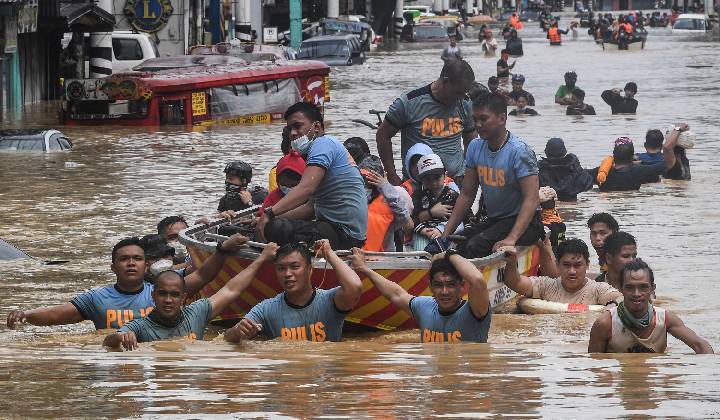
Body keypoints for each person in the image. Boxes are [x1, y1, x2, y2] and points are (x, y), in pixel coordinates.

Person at [6, 235, 248, 330]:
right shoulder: (96, 298)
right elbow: (56, 314)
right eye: (124, 259)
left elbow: (204, 276)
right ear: (113, 267)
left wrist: (222, 250)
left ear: (146, 265)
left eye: (137, 259)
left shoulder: (164, 293)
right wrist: (26, 314)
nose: (131, 263)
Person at [103, 243, 279, 350]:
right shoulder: (140, 326)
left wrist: (261, 259)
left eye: (174, 295)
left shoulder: (197, 312)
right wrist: (118, 338)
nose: (168, 300)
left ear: (184, 298)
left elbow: (231, 290)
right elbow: (108, 343)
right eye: (162, 294)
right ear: (153, 296)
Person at [443, 93, 543, 258]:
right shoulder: (475, 147)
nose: (478, 125)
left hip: (527, 222)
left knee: (476, 245)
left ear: (502, 118)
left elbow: (531, 199)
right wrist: (445, 234)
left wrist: (511, 239)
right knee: (459, 241)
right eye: (475, 119)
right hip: (496, 220)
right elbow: (467, 194)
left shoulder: (519, 151)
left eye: (484, 119)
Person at [258, 102, 367, 250]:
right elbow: (310, 208)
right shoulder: (319, 149)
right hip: (339, 231)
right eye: (290, 128)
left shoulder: (323, 144)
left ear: (316, 127)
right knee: (274, 223)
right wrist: (267, 218)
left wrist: (269, 214)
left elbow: (306, 189)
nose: (292, 133)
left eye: (297, 126)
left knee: (276, 228)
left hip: (344, 235)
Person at [224, 240, 363, 342]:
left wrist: (329, 253)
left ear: (309, 269)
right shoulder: (267, 308)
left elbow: (355, 287)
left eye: (295, 266)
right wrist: (238, 332)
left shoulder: (330, 300)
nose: (287, 274)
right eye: (281, 268)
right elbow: (226, 338)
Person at [350, 248, 491, 343]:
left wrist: (449, 253)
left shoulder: (476, 310)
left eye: (451, 285)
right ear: (430, 287)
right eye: (438, 285)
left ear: (462, 286)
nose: (444, 291)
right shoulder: (425, 306)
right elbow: (396, 294)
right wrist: (365, 269)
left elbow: (477, 280)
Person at [376, 60, 477, 186]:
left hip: (455, 183)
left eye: (465, 93)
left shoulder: (465, 104)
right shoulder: (409, 102)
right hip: (418, 185)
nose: (461, 97)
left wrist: (469, 174)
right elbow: (383, 135)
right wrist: (392, 175)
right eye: (458, 92)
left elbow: (472, 142)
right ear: (445, 81)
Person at [588, 259, 714, 354]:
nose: (637, 294)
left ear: (652, 289)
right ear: (620, 289)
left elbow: (701, 346)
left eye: (643, 287)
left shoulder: (666, 319)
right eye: (630, 287)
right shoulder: (605, 323)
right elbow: (596, 366)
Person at [502, 239, 623, 305]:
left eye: (577, 265)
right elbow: (514, 282)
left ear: (587, 265)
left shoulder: (598, 289)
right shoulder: (546, 285)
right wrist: (512, 263)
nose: (572, 271)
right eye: (566, 265)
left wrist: (612, 306)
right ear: (557, 265)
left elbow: (619, 299)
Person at [411, 154, 464, 252]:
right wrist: (424, 231)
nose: (433, 182)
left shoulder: (453, 195)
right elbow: (412, 218)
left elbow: (463, 218)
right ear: (421, 179)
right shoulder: (418, 196)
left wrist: (441, 229)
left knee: (452, 248)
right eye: (428, 179)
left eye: (437, 177)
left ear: (445, 175)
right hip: (424, 232)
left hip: (448, 231)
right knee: (421, 252)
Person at [359, 156, 413, 252]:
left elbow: (404, 218)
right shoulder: (354, 195)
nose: (368, 183)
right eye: (365, 179)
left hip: (384, 256)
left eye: (374, 179)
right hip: (357, 253)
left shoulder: (393, 196)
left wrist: (385, 187)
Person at [590, 135, 678, 191]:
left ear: (613, 155)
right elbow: (668, 164)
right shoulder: (639, 171)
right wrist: (677, 130)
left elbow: (579, 175)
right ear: (632, 156)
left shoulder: (600, 173)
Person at [259, 150, 306, 216]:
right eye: (284, 185)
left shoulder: (307, 197)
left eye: (293, 185)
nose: (288, 188)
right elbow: (261, 215)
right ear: (278, 181)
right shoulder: (274, 196)